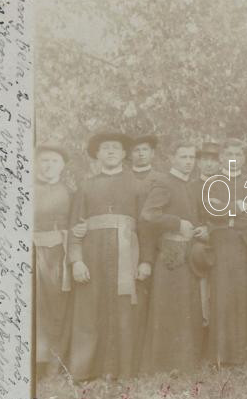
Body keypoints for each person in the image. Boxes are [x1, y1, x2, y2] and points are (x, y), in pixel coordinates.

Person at [67, 131, 151, 380]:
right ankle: (87, 370)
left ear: (124, 153)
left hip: (127, 254)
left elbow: (146, 227)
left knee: (124, 310)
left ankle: (122, 370)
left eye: (116, 148)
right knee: (90, 310)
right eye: (106, 148)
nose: (111, 152)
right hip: (92, 255)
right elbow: (75, 226)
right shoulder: (86, 185)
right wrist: (76, 260)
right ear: (97, 154)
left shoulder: (138, 185)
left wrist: (146, 260)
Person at [201, 139, 247, 366]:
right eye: (229, 154)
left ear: (244, 158)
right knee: (224, 296)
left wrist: (230, 217)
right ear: (221, 158)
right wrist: (239, 206)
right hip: (223, 244)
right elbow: (212, 210)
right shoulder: (212, 182)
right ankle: (223, 355)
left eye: (238, 154)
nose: (233, 158)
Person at [140, 142, 206, 374]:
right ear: (172, 158)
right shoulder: (164, 182)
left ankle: (184, 363)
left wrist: (202, 228)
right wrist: (176, 223)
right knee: (169, 307)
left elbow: (196, 216)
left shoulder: (191, 185)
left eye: (191, 157)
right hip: (171, 254)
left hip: (190, 254)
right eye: (183, 157)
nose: (188, 161)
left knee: (186, 307)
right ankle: (163, 364)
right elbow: (148, 214)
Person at [34, 142, 73, 377]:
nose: (49, 166)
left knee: (59, 306)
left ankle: (55, 363)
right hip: (33, 251)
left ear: (62, 166)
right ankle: (37, 361)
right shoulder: (27, 189)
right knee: (36, 305)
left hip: (60, 252)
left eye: (54, 161)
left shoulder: (69, 191)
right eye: (44, 160)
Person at [128, 133, 162, 371]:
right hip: (129, 241)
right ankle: (133, 353)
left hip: (158, 243)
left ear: (153, 153)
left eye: (145, 150)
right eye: (136, 150)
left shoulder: (161, 179)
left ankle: (153, 354)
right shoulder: (124, 178)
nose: (141, 154)